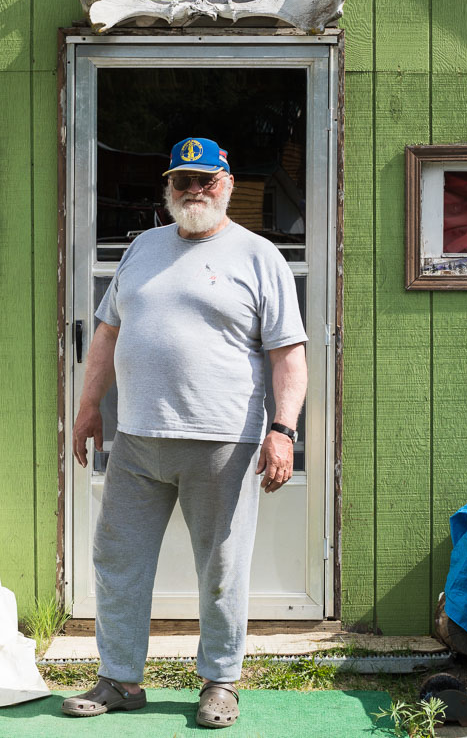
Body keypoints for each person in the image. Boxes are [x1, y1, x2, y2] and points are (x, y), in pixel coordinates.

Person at [63, 137, 308, 728]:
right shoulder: (142, 249)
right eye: (182, 182)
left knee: (222, 568)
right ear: (168, 190)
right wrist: (89, 405)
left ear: (227, 185)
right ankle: (120, 679)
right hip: (139, 439)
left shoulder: (258, 255)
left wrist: (283, 429)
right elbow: (106, 335)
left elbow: (289, 355)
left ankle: (220, 682)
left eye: (206, 181)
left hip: (223, 442)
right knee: (116, 559)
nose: (194, 191)